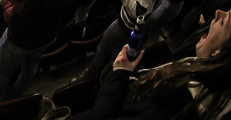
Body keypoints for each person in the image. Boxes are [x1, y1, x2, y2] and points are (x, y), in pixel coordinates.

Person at [73, 9, 231, 120]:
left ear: (220, 53)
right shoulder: (198, 69)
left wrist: (120, 73)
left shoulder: (173, 102)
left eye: (224, 22)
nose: (218, 12)